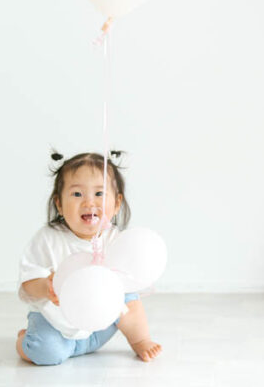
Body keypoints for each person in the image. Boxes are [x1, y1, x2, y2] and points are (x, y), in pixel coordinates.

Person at [15, 151, 162, 364]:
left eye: (99, 194)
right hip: (57, 326)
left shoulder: (115, 240)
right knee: (46, 352)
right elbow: (28, 281)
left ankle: (140, 340)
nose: (89, 202)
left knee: (128, 295)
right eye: (77, 194)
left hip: (98, 330)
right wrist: (47, 286)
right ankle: (25, 342)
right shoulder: (48, 239)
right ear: (59, 204)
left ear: (117, 202)